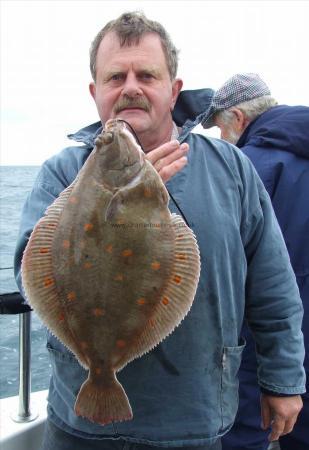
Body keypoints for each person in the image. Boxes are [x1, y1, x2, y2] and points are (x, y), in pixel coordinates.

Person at [14, 13, 305, 450]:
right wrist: (118, 203)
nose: (131, 86)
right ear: (96, 92)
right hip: (80, 422)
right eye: (116, 76)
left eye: (147, 74)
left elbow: (273, 284)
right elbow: (28, 272)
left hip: (194, 419)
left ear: (174, 90)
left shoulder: (232, 169)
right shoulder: (62, 171)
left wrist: (283, 379)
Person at [202, 72, 309, 450]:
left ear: (238, 119)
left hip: (263, 342)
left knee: (245, 433)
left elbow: (239, 270)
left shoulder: (246, 167)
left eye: (218, 128)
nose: (220, 139)